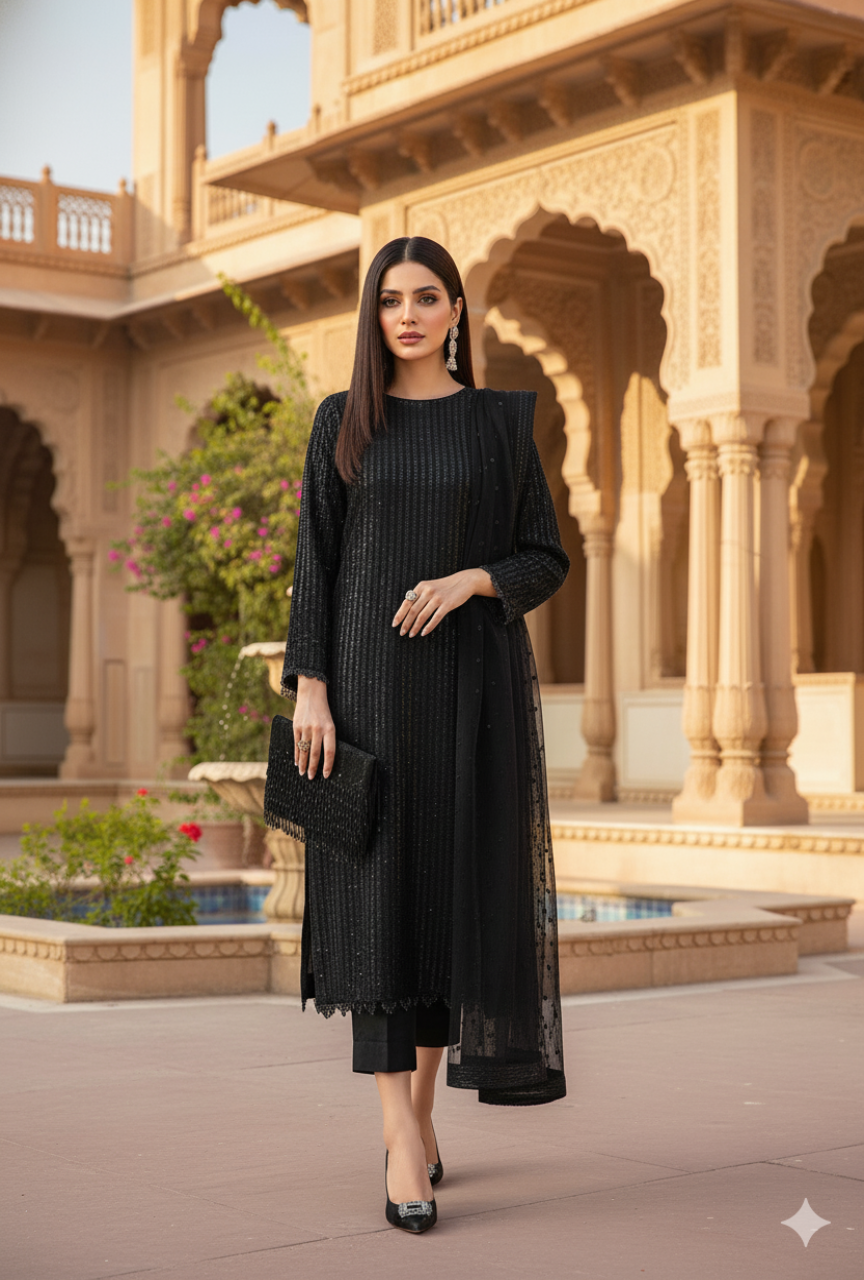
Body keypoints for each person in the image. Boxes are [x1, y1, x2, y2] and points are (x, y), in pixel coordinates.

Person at [280, 236, 570, 1235]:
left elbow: (544, 552)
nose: (406, 313)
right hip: (360, 697)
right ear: (374, 314)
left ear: (455, 311)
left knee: (445, 910)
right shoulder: (342, 424)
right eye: (389, 299)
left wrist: (471, 580)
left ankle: (422, 1117)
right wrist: (309, 691)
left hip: (463, 696)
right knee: (373, 912)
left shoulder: (497, 427)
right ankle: (401, 1136)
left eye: (426, 297)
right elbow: (314, 564)